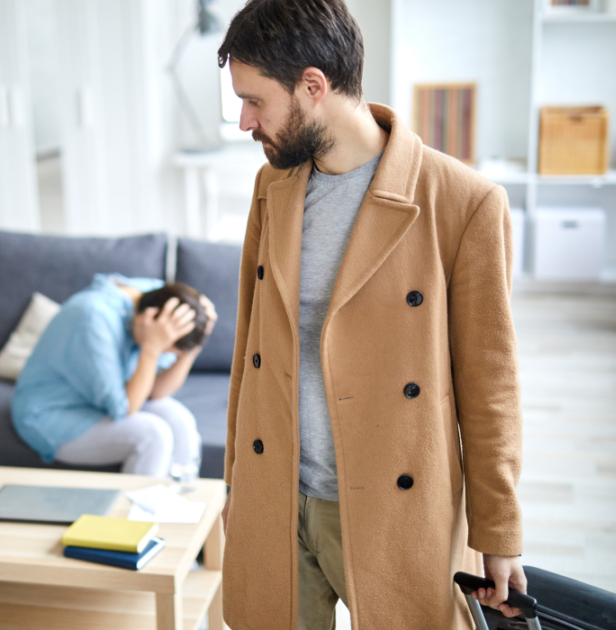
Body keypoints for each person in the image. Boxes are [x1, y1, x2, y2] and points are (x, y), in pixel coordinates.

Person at [216, 2, 526, 629]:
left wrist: (500, 530)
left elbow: (490, 387)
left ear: (312, 86)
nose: (245, 121)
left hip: (395, 508)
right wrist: (236, 484)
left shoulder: (463, 204)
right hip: (277, 490)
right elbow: (250, 351)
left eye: (255, 101)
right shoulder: (271, 189)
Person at [11, 273, 217, 478]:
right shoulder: (92, 316)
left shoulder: (162, 300)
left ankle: (181, 503)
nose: (165, 354)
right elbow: (124, 407)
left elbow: (156, 392)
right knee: (154, 434)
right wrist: (151, 349)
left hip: (104, 399)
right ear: (148, 320)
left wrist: (194, 347)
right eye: (166, 349)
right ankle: (138, 510)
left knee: (180, 419)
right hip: (53, 412)